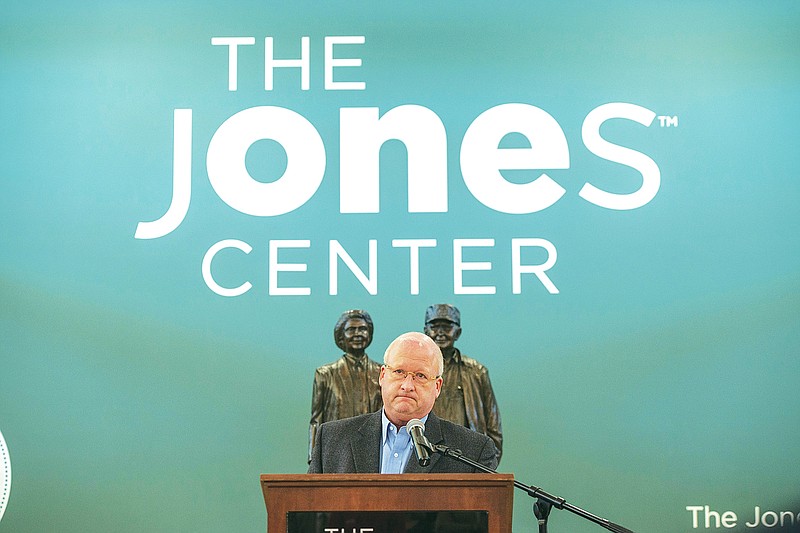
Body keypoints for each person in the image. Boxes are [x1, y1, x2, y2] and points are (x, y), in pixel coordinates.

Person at [308, 332, 499, 474]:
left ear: (438, 386)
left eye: (420, 376)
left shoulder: (473, 452)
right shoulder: (331, 439)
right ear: (382, 376)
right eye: (399, 372)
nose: (407, 386)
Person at [424, 304, 503, 462]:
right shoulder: (415, 370)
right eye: (435, 327)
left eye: (447, 327)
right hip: (424, 457)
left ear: (458, 332)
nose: (440, 333)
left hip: (465, 459)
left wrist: (486, 464)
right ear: (426, 331)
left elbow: (493, 427)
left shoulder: (476, 372)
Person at [308, 309, 383, 463]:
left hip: (373, 455)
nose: (358, 334)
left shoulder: (382, 373)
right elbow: (316, 420)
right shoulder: (326, 374)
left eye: (362, 329)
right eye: (351, 330)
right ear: (341, 336)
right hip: (336, 454)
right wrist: (314, 459)